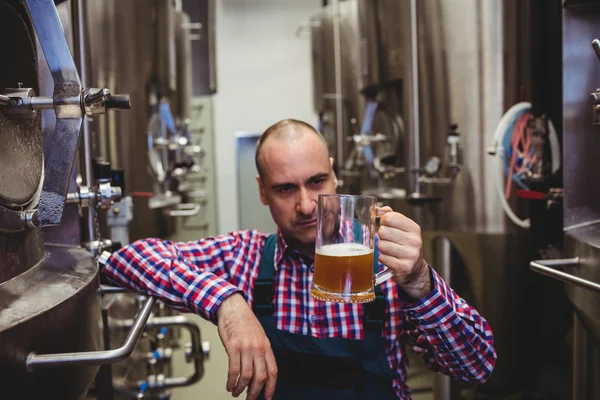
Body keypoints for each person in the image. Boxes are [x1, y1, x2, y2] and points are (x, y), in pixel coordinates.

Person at [104, 119, 496, 400]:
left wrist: (419, 282)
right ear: (262, 192)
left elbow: (476, 366)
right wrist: (226, 302)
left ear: (335, 176)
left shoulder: (385, 265)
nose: (306, 205)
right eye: (285, 188)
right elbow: (125, 259)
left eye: (316, 182)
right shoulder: (247, 256)